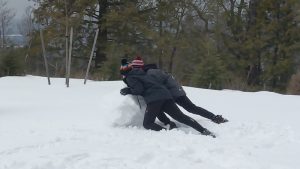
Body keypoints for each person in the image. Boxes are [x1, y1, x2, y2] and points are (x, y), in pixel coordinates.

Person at [119, 61, 216, 137]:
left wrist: (128, 90)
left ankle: (166, 132)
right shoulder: (145, 72)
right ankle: (203, 130)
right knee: (181, 117)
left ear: (124, 72)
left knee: (147, 124)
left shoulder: (130, 77)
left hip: (154, 99)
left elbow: (139, 89)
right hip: (166, 95)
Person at [130, 56, 228, 124]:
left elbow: (157, 85)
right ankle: (214, 117)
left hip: (173, 93)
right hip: (175, 91)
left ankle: (214, 117)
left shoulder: (150, 73)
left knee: (190, 108)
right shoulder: (150, 71)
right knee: (191, 108)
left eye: (135, 68)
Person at [121, 58, 177, 130]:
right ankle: (168, 122)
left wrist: (128, 90)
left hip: (154, 96)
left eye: (136, 67)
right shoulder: (143, 72)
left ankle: (166, 129)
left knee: (149, 121)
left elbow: (139, 89)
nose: (135, 69)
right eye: (134, 66)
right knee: (157, 111)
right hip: (159, 95)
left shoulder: (138, 75)